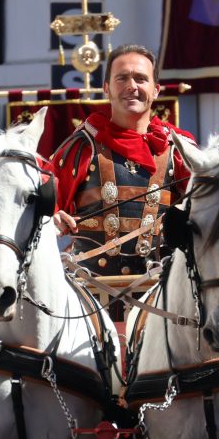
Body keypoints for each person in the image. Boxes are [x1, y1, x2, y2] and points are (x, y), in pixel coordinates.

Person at [47, 44, 193, 276]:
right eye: (122, 78)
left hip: (163, 288)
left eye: (140, 79)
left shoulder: (179, 148)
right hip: (91, 287)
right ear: (106, 88)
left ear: (156, 90)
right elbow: (40, 201)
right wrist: (52, 216)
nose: (131, 86)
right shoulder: (83, 145)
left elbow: (208, 207)